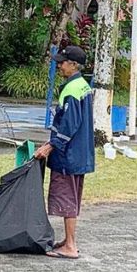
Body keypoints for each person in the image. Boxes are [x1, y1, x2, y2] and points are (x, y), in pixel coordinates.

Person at [34, 45, 95, 259]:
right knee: (73, 197)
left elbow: (69, 124)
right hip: (81, 154)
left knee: (67, 198)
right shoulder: (83, 86)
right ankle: (68, 241)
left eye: (62, 62)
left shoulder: (71, 90)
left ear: (74, 65)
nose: (59, 65)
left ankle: (70, 245)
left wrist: (50, 146)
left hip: (68, 156)